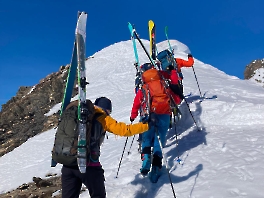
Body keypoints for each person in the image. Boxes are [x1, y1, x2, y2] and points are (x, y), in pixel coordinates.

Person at [61, 97, 149, 198]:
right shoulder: (102, 117)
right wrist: (147, 126)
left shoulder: (79, 115)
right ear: (107, 109)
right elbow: (125, 130)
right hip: (89, 165)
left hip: (68, 164)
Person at [130, 63, 181, 183]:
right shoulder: (163, 84)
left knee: (146, 139)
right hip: (164, 115)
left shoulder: (144, 87)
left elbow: (136, 103)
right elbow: (176, 100)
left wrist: (133, 116)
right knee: (159, 141)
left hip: (148, 116)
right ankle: (156, 169)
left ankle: (146, 158)